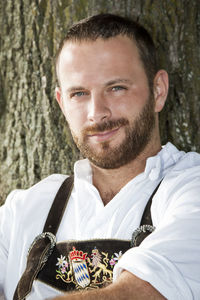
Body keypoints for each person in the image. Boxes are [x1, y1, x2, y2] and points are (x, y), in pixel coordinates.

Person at [0, 13, 200, 300]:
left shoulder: (190, 191)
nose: (97, 112)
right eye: (79, 94)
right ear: (62, 103)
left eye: (116, 88)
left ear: (158, 91)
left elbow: (142, 293)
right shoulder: (25, 209)